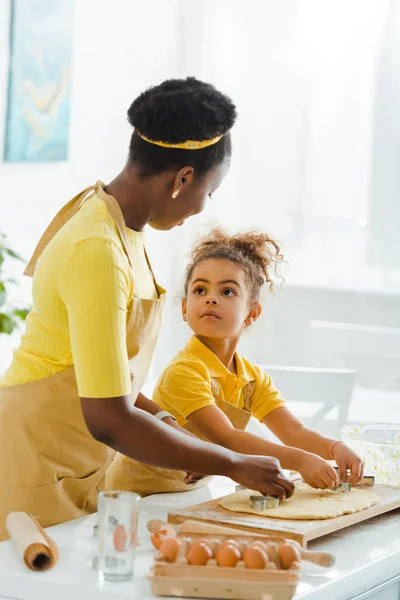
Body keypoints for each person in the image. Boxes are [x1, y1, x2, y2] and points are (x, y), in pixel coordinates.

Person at [0, 78, 294, 541]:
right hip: (32, 465)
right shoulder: (97, 248)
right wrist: (233, 463)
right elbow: (109, 418)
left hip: (71, 462)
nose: (203, 207)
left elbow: (102, 373)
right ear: (183, 179)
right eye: (209, 192)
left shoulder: (124, 229)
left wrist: (167, 425)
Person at [106, 227, 364, 494]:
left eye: (227, 291)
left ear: (252, 313)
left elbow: (293, 431)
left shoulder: (253, 377)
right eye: (199, 290)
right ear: (184, 309)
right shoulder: (185, 370)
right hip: (139, 493)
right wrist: (300, 460)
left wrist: (335, 448)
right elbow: (226, 438)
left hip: (187, 492)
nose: (211, 298)